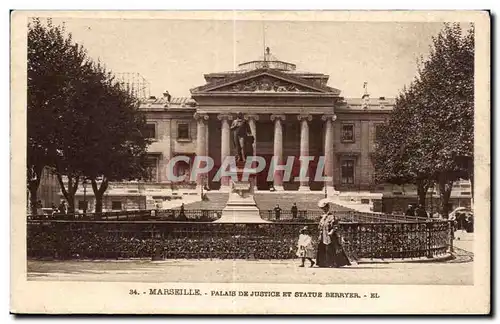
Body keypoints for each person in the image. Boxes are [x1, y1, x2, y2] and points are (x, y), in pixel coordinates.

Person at [316, 199, 351, 268]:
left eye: (324, 208)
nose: (323, 210)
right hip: (323, 235)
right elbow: (320, 226)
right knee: (323, 248)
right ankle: (323, 263)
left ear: (327, 207)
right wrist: (320, 234)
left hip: (330, 235)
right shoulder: (323, 217)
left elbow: (335, 226)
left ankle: (334, 263)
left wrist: (331, 232)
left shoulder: (332, 216)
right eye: (322, 208)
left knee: (331, 248)